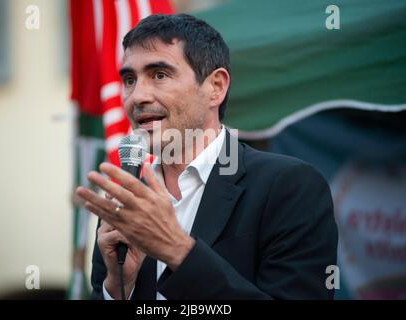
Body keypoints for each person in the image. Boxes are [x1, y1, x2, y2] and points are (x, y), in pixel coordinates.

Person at [76, 13, 338, 300]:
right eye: (129, 79)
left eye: (159, 75)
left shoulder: (290, 186)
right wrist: (116, 287)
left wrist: (175, 248)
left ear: (216, 87)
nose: (137, 96)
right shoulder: (126, 200)